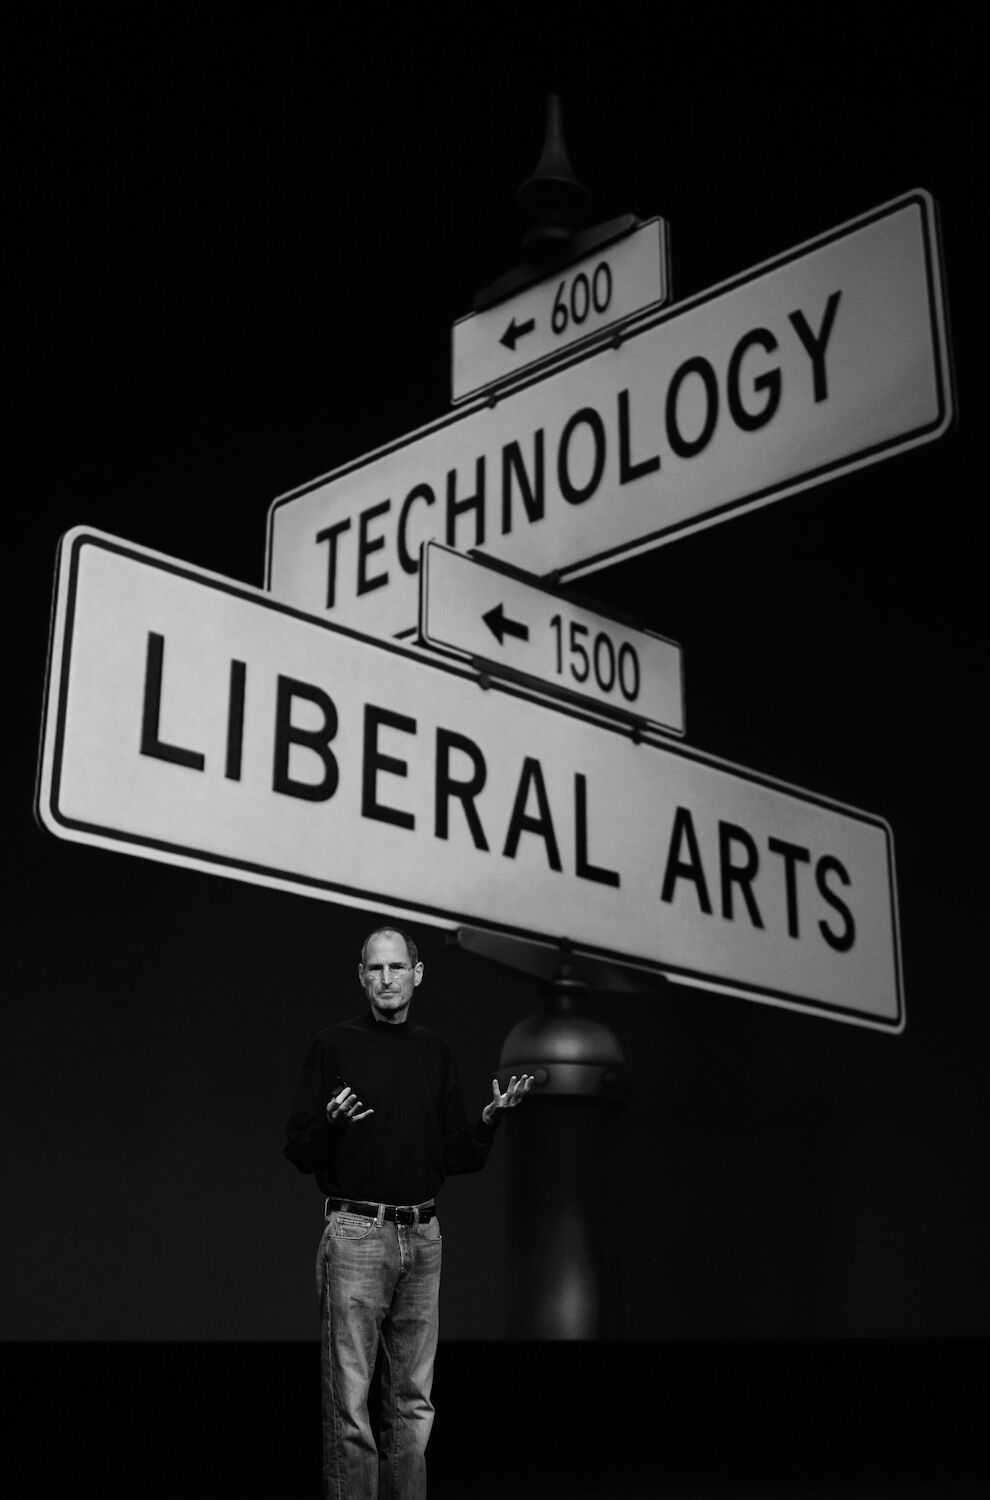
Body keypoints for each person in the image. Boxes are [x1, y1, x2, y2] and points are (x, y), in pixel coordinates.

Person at [284, 924, 533, 1500]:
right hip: (357, 1232)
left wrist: (489, 1120)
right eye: (376, 968)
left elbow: (452, 1155)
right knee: (350, 1405)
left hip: (421, 1236)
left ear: (417, 974)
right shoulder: (333, 1045)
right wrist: (332, 1124)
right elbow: (298, 1149)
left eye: (397, 967)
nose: (387, 978)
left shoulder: (435, 1050)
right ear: (361, 977)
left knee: (414, 1405)